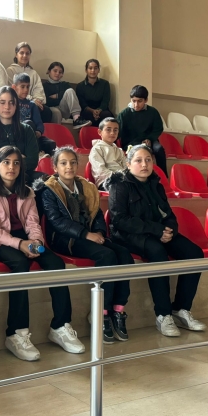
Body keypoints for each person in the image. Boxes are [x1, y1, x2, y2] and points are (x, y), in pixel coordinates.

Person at [0, 146, 85, 360]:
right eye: (6, 162)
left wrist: (36, 242)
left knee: (56, 263)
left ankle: (60, 326)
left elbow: (33, 223)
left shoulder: (27, 192)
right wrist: (20, 244)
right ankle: (16, 333)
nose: (11, 167)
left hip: (24, 239)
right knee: (20, 264)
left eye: (16, 163)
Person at [34, 146, 133, 344]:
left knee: (124, 255)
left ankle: (118, 309)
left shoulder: (86, 187)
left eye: (72, 162)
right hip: (65, 239)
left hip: (90, 235)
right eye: (63, 163)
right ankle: (101, 312)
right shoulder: (49, 190)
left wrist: (99, 232)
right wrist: (85, 234)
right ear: (55, 167)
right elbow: (57, 222)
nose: (69, 167)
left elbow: (97, 213)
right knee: (107, 256)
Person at [106, 144, 206, 337]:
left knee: (194, 253)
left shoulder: (156, 185)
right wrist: (157, 230)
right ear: (128, 164)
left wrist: (170, 230)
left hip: (156, 231)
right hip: (128, 235)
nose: (144, 164)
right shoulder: (120, 185)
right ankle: (163, 314)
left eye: (148, 160)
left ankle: (181, 309)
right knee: (157, 252)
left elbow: (168, 215)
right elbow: (120, 220)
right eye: (138, 160)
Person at [0, 87, 40, 184]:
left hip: (24, 173)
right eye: (2, 102)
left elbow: (33, 161)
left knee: (44, 181)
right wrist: (19, 159)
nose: (7, 107)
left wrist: (6, 162)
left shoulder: (27, 129)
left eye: (11, 103)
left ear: (16, 105)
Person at [117, 85, 167, 175]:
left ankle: (163, 175)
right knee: (139, 152)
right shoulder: (124, 114)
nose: (136, 104)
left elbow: (158, 128)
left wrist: (150, 139)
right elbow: (118, 132)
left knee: (159, 149)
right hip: (131, 143)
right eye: (134, 101)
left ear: (146, 100)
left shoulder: (153, 112)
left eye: (140, 101)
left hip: (150, 140)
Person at [13, 73, 57, 156]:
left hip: (32, 135)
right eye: (22, 87)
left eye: (28, 87)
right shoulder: (12, 102)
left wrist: (39, 131)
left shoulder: (32, 105)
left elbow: (39, 123)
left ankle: (39, 153)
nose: (26, 90)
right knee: (28, 123)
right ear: (14, 87)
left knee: (51, 144)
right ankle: (37, 152)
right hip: (17, 135)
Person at [6, 42, 50, 122]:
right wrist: (31, 99)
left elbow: (38, 89)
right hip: (17, 101)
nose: (25, 56)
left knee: (46, 111)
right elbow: (11, 90)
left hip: (33, 102)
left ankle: (38, 129)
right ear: (16, 55)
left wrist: (37, 99)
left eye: (27, 53)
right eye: (22, 53)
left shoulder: (33, 73)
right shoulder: (10, 71)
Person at [43, 61, 91, 129]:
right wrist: (61, 97)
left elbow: (71, 95)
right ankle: (56, 133)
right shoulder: (44, 86)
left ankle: (76, 118)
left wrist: (57, 96)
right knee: (56, 112)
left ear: (62, 75)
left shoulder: (65, 84)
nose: (57, 73)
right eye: (55, 71)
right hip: (51, 108)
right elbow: (46, 101)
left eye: (60, 72)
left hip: (64, 108)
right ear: (49, 71)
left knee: (70, 91)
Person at [89, 117, 126, 189]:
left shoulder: (119, 150)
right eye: (108, 130)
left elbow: (125, 166)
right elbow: (100, 171)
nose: (112, 133)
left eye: (115, 130)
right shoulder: (97, 149)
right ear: (100, 132)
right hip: (106, 182)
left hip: (123, 180)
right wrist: (119, 177)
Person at [75, 59, 113, 125]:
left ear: (99, 70)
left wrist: (98, 110)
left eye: (95, 68)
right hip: (87, 110)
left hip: (102, 110)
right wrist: (92, 111)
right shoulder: (80, 86)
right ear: (86, 70)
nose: (93, 70)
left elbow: (105, 101)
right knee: (86, 117)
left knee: (107, 116)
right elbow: (82, 103)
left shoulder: (105, 84)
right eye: (90, 68)